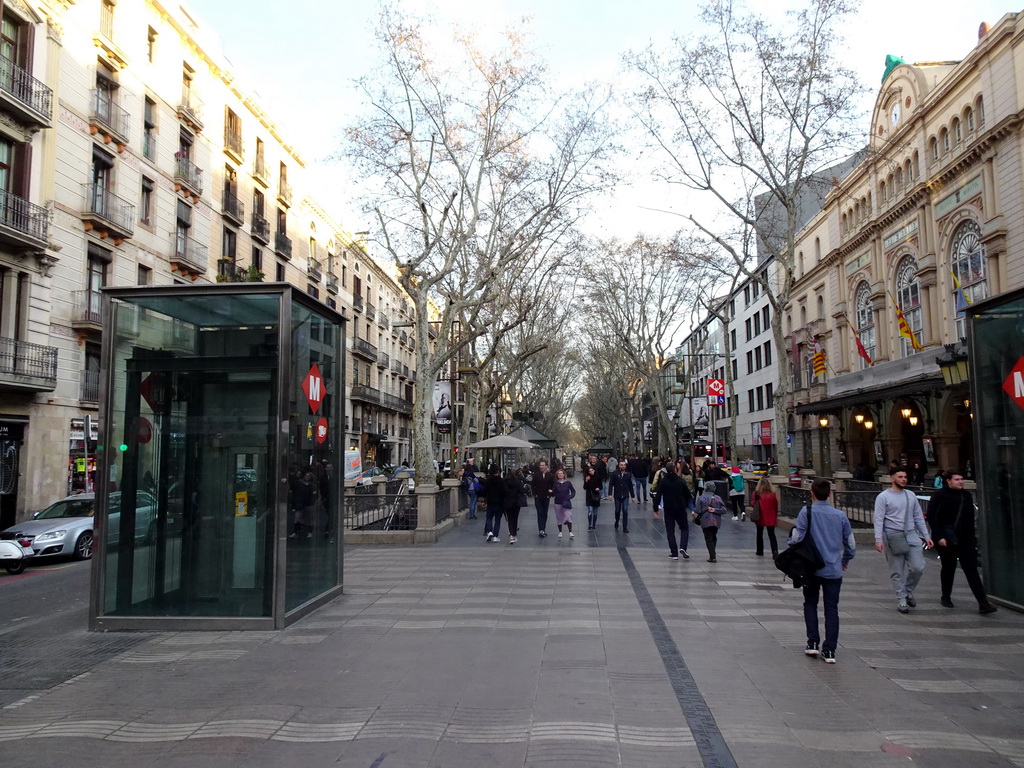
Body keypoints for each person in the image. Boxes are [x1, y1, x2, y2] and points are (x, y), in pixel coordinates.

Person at [792, 479, 856, 664]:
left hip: (811, 568)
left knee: (810, 603)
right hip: (833, 569)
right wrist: (845, 560)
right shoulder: (840, 516)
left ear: (811, 492)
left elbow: (797, 537)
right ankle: (829, 651)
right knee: (831, 609)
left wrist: (791, 545)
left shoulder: (807, 512)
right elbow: (850, 544)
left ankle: (812, 642)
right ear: (829, 494)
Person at [927, 470, 998, 614]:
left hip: (965, 539)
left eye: (962, 479)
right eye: (957, 479)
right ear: (949, 481)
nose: (961, 482)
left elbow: (969, 520)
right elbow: (932, 517)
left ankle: (983, 603)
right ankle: (946, 596)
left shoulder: (966, 496)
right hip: (946, 538)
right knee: (949, 567)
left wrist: (972, 539)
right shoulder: (939, 495)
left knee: (971, 569)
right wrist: (939, 537)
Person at [873, 469, 933, 613]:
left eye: (905, 477)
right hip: (893, 536)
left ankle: (907, 590)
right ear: (892, 478)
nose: (904, 479)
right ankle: (901, 598)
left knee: (918, 567)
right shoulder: (883, 497)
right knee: (897, 570)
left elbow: (918, 516)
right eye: (900, 477)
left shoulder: (910, 495)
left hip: (911, 534)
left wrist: (926, 535)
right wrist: (878, 539)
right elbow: (878, 519)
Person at [659, 464, 692, 560]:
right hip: (680, 508)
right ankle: (683, 547)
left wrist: (656, 507)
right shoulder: (680, 481)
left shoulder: (663, 481)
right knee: (684, 528)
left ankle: (674, 553)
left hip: (669, 508)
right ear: (674, 470)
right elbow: (688, 494)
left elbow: (659, 494)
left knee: (670, 531)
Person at [694, 481, 726, 562]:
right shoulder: (718, 498)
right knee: (714, 536)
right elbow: (724, 510)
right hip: (716, 521)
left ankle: (712, 556)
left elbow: (697, 510)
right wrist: (715, 510)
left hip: (706, 520)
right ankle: (713, 553)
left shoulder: (701, 498)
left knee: (708, 538)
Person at [752, 476, 779, 557]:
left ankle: (760, 551)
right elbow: (776, 506)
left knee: (759, 534)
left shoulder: (756, 493)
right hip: (771, 516)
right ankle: (774, 551)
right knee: (772, 534)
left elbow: (753, 504)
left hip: (760, 515)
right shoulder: (772, 494)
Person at [530, 460, 555, 537]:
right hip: (538, 496)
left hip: (546, 497)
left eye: (543, 465)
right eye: (540, 465)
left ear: (546, 466)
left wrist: (551, 493)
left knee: (545, 513)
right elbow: (532, 485)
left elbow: (553, 485)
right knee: (540, 512)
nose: (542, 467)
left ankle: (543, 528)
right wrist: (535, 494)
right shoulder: (536, 475)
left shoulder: (550, 475)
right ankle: (541, 529)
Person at [609, 459, 635, 532]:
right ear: (619, 465)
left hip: (625, 495)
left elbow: (630, 486)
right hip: (617, 495)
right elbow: (611, 484)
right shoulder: (615, 473)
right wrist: (610, 494)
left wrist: (633, 496)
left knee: (625, 510)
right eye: (621, 465)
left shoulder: (628, 474)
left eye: (624, 465)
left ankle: (625, 527)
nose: (623, 466)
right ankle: (617, 520)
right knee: (617, 510)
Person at [504, 468, 526, 544]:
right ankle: (514, 533)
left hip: (507, 503)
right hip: (516, 502)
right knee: (515, 518)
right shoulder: (517, 482)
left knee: (510, 519)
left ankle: (511, 534)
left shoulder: (504, 483)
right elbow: (522, 491)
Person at [483, 464, 505, 543]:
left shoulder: (488, 480)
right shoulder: (502, 481)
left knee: (489, 517)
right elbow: (504, 492)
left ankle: (489, 531)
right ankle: (496, 536)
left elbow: (485, 491)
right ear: (498, 471)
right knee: (498, 519)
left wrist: (484, 501)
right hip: (499, 502)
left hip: (490, 501)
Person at [552, 468, 576, 538]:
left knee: (568, 515)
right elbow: (553, 493)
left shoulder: (568, 483)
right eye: (558, 474)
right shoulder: (555, 483)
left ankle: (570, 531)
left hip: (566, 502)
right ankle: (560, 531)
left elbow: (573, 491)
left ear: (563, 475)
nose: (560, 475)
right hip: (558, 501)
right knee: (559, 516)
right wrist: (552, 492)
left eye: (561, 473)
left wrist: (570, 496)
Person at [583, 466, 602, 530]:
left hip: (596, 495)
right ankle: (590, 524)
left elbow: (601, 486)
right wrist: (586, 481)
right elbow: (585, 487)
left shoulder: (598, 477)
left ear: (594, 470)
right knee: (590, 511)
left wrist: (598, 488)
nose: (591, 472)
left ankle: (594, 524)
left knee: (595, 512)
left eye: (592, 470)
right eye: (590, 471)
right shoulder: (587, 478)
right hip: (589, 496)